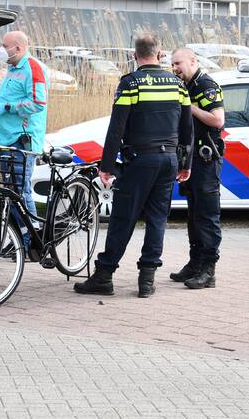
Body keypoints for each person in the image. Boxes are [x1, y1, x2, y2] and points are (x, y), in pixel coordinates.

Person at [74, 33, 193, 298]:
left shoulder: (131, 84)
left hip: (140, 161)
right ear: (159, 53)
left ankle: (104, 276)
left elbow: (117, 128)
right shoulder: (177, 84)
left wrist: (106, 166)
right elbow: (187, 129)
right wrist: (185, 163)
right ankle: (147, 281)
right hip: (168, 161)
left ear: (134, 55)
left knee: (122, 219)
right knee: (157, 220)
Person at [169, 47, 224, 289]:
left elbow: (217, 119)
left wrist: (187, 106)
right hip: (190, 160)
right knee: (193, 215)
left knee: (207, 216)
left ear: (193, 61)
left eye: (178, 63)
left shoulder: (206, 85)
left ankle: (208, 271)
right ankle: (194, 264)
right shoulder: (187, 85)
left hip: (206, 160)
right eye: (173, 64)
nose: (175, 68)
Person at [0, 31, 49, 236]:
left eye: (5, 46)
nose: (1, 50)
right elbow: (13, 96)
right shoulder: (12, 68)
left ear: (18, 48)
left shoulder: (32, 67)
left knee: (21, 191)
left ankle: (32, 239)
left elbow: (38, 103)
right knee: (10, 191)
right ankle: (17, 239)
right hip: (6, 138)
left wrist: (5, 107)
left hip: (22, 140)